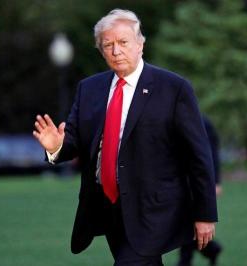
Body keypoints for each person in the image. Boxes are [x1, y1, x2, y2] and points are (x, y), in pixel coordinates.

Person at [33, 9, 217, 266]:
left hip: (153, 209)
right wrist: (57, 147)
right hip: (107, 206)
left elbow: (199, 156)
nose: (116, 50)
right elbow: (75, 141)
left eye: (123, 42)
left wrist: (205, 213)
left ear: (140, 44)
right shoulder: (90, 89)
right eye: (108, 45)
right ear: (101, 51)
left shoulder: (173, 89)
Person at [177, 116, 223, 266]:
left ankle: (185, 260)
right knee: (184, 223)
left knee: (188, 222)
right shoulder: (176, 121)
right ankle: (211, 249)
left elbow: (211, 156)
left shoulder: (204, 123)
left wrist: (215, 182)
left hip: (197, 183)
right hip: (180, 183)